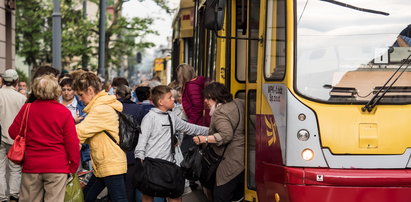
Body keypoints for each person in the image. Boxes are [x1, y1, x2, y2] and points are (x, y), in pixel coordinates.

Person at [8, 74, 80, 202]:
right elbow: (72, 143)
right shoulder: (63, 112)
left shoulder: (27, 109)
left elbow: (13, 132)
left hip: (32, 165)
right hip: (57, 166)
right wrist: (73, 166)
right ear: (56, 90)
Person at [134, 85, 209, 202]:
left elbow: (190, 128)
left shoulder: (172, 116)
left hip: (169, 166)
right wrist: (140, 164)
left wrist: (212, 130)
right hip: (152, 166)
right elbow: (141, 143)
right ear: (160, 102)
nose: (173, 99)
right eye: (169, 97)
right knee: (148, 197)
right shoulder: (150, 118)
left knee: (176, 196)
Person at [73, 72, 128, 202]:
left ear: (90, 90)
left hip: (110, 163)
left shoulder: (101, 109)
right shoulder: (100, 107)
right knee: (86, 197)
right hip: (104, 163)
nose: (80, 99)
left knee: (118, 199)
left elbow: (79, 132)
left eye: (81, 94)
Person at [192, 82, 245, 202]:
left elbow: (226, 135)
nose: (205, 101)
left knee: (221, 195)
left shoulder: (220, 112)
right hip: (243, 157)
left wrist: (204, 139)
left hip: (230, 161)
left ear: (215, 97)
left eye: (207, 98)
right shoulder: (239, 103)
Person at [0, 69, 27, 202]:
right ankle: (13, 195)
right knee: (15, 168)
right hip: (15, 138)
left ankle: (2, 196)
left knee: (0, 168)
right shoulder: (21, 98)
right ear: (16, 81)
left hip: (0, 136)